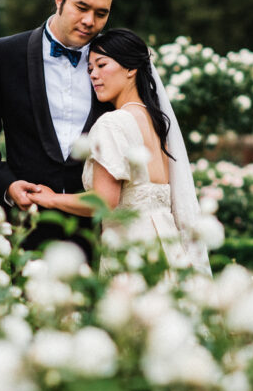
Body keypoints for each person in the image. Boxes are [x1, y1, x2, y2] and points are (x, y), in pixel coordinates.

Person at [0, 0, 116, 257]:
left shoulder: (115, 61)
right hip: (29, 224)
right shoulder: (5, 54)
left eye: (101, 13)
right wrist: (7, 185)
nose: (89, 21)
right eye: (81, 7)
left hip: (100, 228)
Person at [29, 28, 212, 275]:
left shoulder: (112, 123)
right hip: (169, 246)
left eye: (102, 65)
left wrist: (51, 199)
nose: (94, 74)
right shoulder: (157, 123)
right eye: (90, 69)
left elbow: (105, 201)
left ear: (130, 68)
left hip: (133, 248)